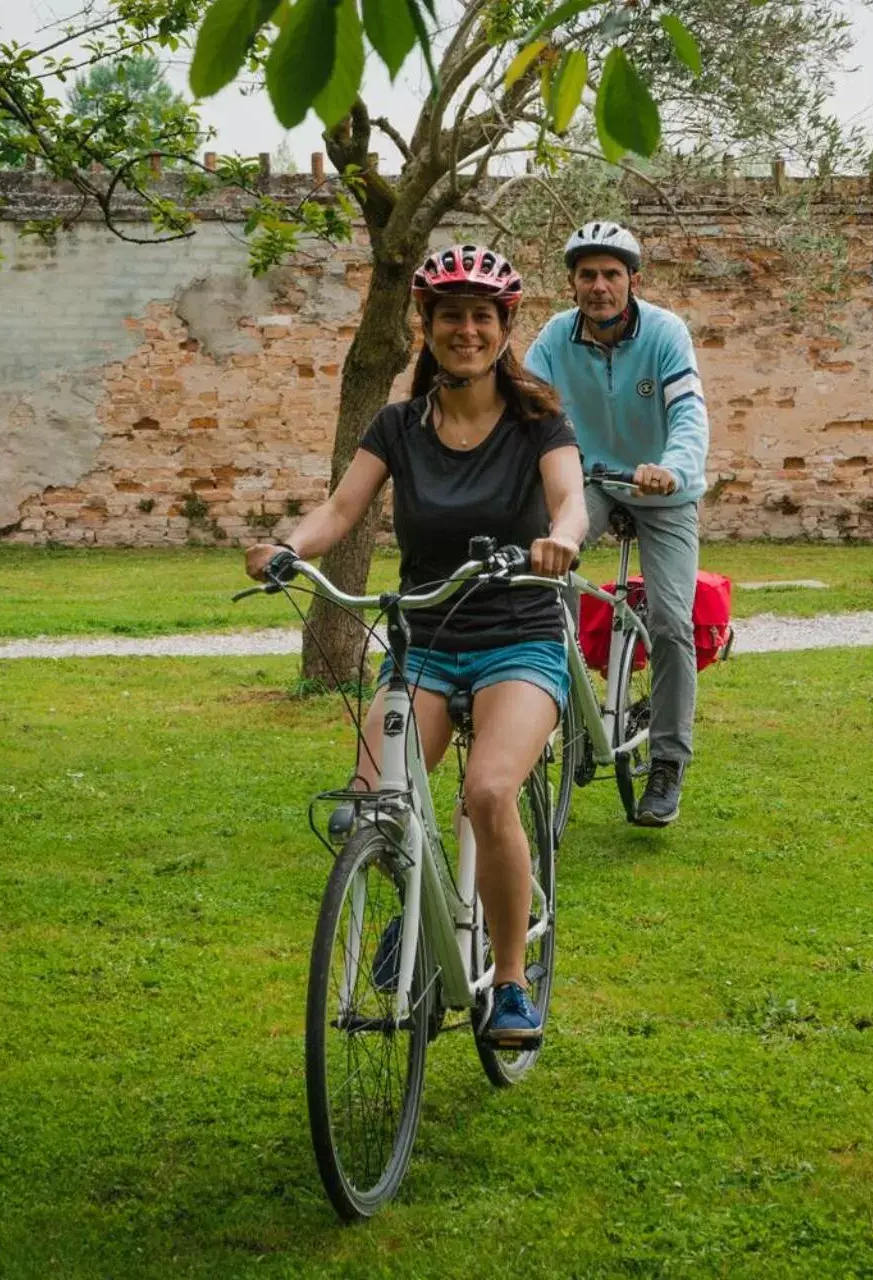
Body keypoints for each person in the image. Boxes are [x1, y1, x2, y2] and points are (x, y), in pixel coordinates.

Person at [245, 244, 586, 1047]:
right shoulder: (399, 424)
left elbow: (569, 498)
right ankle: (424, 924)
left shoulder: (540, 421)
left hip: (517, 637)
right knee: (371, 802)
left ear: (504, 328)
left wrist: (562, 541)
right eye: (449, 316)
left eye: (481, 316)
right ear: (425, 328)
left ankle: (507, 981)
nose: (465, 330)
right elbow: (340, 509)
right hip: (426, 640)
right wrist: (290, 546)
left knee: (490, 793)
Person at [524, 221, 709, 827]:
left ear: (633, 279)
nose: (599, 286)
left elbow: (688, 414)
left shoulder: (664, 332)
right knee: (545, 574)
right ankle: (565, 702)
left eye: (611, 274)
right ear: (572, 283)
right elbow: (524, 410)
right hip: (591, 484)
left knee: (670, 620)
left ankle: (668, 762)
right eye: (587, 275)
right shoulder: (554, 337)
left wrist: (673, 470)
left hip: (662, 489)